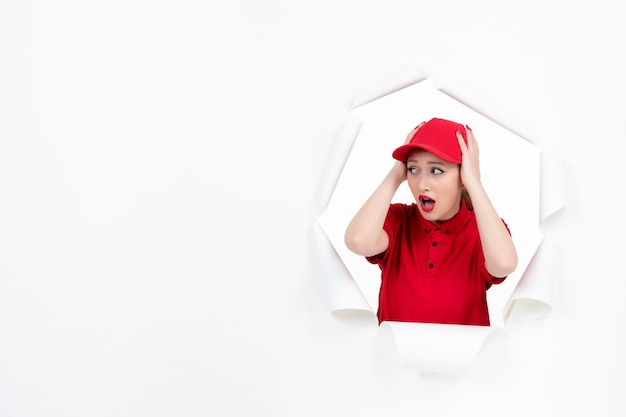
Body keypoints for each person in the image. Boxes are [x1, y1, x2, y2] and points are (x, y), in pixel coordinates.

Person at [344, 117, 518, 326]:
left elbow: (503, 264)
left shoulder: (483, 229)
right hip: (394, 356)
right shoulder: (398, 220)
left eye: (436, 170)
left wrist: (474, 182)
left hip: (463, 357)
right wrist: (394, 176)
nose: (422, 184)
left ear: (463, 175)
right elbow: (358, 241)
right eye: (413, 169)